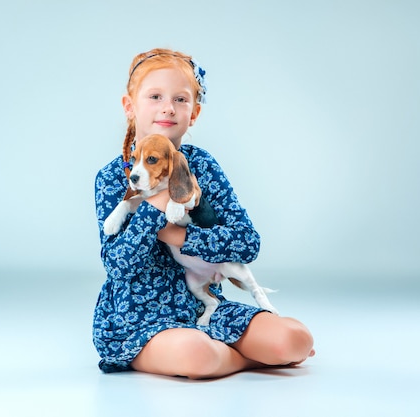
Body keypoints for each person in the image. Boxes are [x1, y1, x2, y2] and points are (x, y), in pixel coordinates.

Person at [93, 48, 315, 379]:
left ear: (194, 112)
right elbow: (118, 263)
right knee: (196, 354)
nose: (168, 106)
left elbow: (247, 242)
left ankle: (235, 355)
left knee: (294, 340)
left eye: (180, 99)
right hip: (137, 319)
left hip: (204, 309)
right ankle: (244, 361)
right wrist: (158, 202)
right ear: (130, 106)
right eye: (155, 96)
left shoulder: (202, 166)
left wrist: (180, 235)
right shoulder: (113, 177)